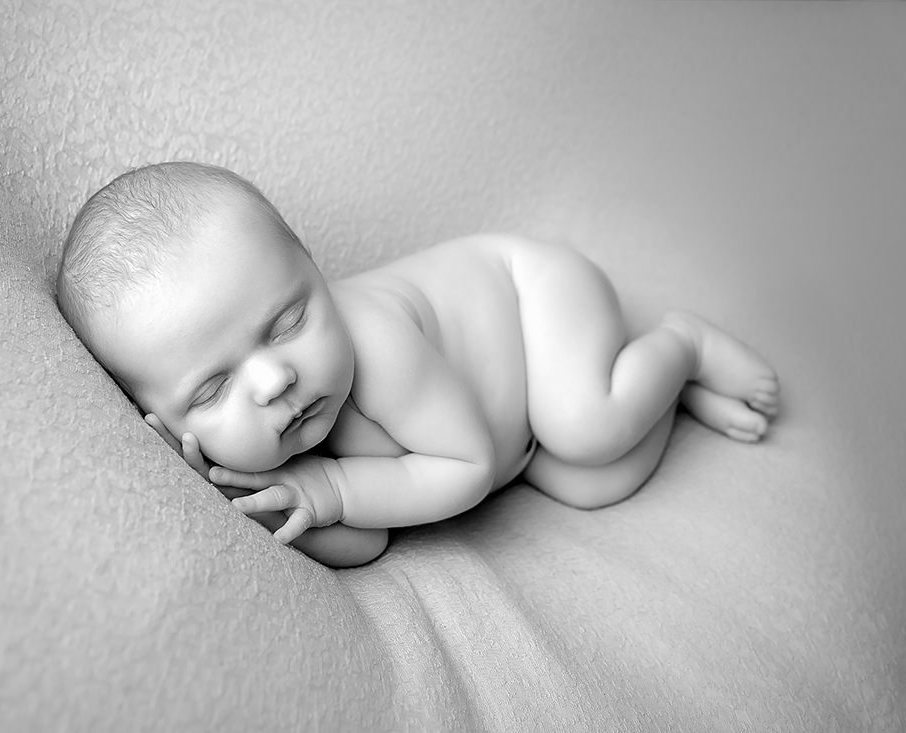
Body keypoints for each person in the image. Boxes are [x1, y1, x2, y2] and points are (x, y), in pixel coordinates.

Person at [56, 161, 780, 567]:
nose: (275, 378)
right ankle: (666, 389)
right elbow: (364, 540)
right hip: (515, 443)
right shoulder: (284, 429)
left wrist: (331, 485)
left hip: (534, 300)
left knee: (587, 426)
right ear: (162, 420)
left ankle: (683, 343)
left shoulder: (372, 339)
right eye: (213, 388)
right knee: (596, 480)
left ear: (314, 266)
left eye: (289, 320)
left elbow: (462, 469)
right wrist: (257, 494)